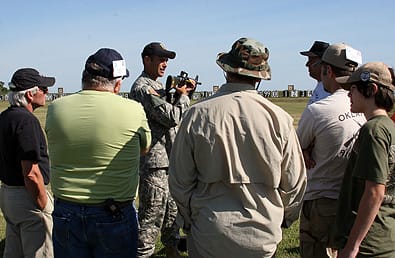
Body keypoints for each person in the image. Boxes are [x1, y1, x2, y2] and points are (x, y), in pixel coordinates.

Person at [168, 37, 307, 258]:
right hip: (262, 232)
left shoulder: (198, 114)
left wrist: (190, 218)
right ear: (259, 78)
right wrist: (280, 219)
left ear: (227, 70)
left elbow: (179, 180)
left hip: (209, 230)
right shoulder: (278, 118)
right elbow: (295, 183)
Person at [45, 48, 151, 258]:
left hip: (66, 209)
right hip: (114, 210)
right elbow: (144, 147)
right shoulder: (133, 109)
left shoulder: (56, 108)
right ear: (118, 82)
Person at [296, 43, 366, 258]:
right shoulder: (367, 106)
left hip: (322, 200)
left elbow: (296, 148)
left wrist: (305, 150)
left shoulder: (319, 110)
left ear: (327, 70)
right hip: (358, 198)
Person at [129, 42, 196, 258]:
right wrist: (183, 97)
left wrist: (178, 95)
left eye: (166, 60)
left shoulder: (157, 86)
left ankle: (172, 250)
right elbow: (173, 117)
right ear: (147, 59)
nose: (165, 64)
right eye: (161, 59)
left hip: (169, 160)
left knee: (172, 218)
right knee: (151, 220)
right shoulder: (143, 88)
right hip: (154, 164)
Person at [331, 62, 395, 257]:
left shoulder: (373, 130)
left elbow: (375, 191)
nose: (349, 95)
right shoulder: (389, 127)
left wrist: (353, 245)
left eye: (352, 89)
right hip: (385, 234)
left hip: (369, 244)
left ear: (371, 89)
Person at [0, 68, 55, 257]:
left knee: (14, 252)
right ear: (30, 95)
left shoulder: (5, 117)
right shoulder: (26, 121)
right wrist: (42, 202)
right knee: (40, 252)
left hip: (8, 193)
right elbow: (30, 172)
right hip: (27, 196)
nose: (46, 93)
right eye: (43, 89)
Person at [300, 40, 331, 105]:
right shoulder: (322, 86)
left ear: (323, 63)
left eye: (311, 60)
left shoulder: (330, 90)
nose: (307, 64)